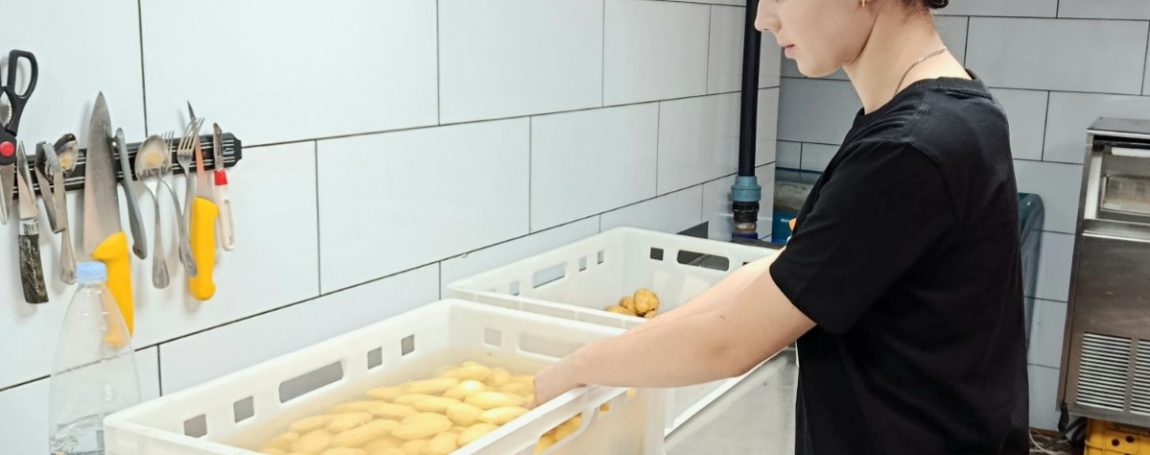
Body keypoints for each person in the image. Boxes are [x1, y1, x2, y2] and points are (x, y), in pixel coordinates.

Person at [533, 0, 1030, 453]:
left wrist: (576, 370)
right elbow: (787, 273)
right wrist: (627, 343)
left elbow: (730, 344)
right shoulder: (949, 112)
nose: (762, 19)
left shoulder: (910, 147)